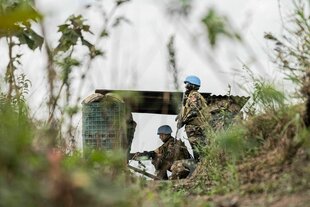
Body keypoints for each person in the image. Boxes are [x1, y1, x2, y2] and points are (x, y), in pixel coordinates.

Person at [175, 75, 210, 162]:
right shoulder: (191, 96)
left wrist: (183, 121)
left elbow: (194, 112)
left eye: (187, 84)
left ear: (192, 85)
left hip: (195, 128)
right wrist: (180, 116)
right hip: (195, 127)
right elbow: (189, 110)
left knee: (197, 150)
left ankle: (200, 165)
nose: (186, 86)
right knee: (198, 148)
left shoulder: (194, 95)